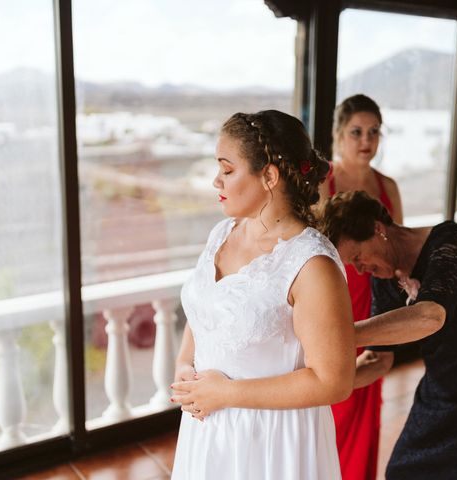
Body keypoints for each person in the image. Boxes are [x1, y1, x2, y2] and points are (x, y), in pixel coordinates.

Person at [169, 110, 356, 480]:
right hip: (208, 432)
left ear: (269, 175)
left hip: (271, 445)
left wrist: (226, 395)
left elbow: (333, 381)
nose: (215, 180)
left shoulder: (311, 264)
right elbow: (206, 311)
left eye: (227, 169)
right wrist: (184, 363)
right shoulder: (223, 233)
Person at [320, 190, 457, 480]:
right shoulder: (386, 278)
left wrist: (335, 335)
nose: (359, 269)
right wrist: (322, 388)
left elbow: (430, 315)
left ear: (378, 229)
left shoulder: (451, 242)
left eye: (357, 257)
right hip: (446, 386)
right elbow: (378, 359)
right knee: (404, 471)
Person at [319, 93, 402, 480]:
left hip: (376, 298)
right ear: (339, 135)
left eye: (373, 132)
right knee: (331, 397)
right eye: (356, 132)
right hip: (334, 296)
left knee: (366, 397)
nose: (366, 141)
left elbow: (398, 248)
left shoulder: (388, 185)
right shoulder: (323, 182)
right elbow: (314, 248)